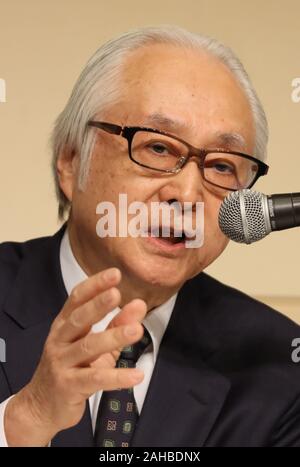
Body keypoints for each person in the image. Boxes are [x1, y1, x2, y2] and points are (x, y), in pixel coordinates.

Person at [0, 25, 300, 447]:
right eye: (158, 148)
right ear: (70, 162)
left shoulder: (277, 361)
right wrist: (23, 421)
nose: (188, 194)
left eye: (221, 166)